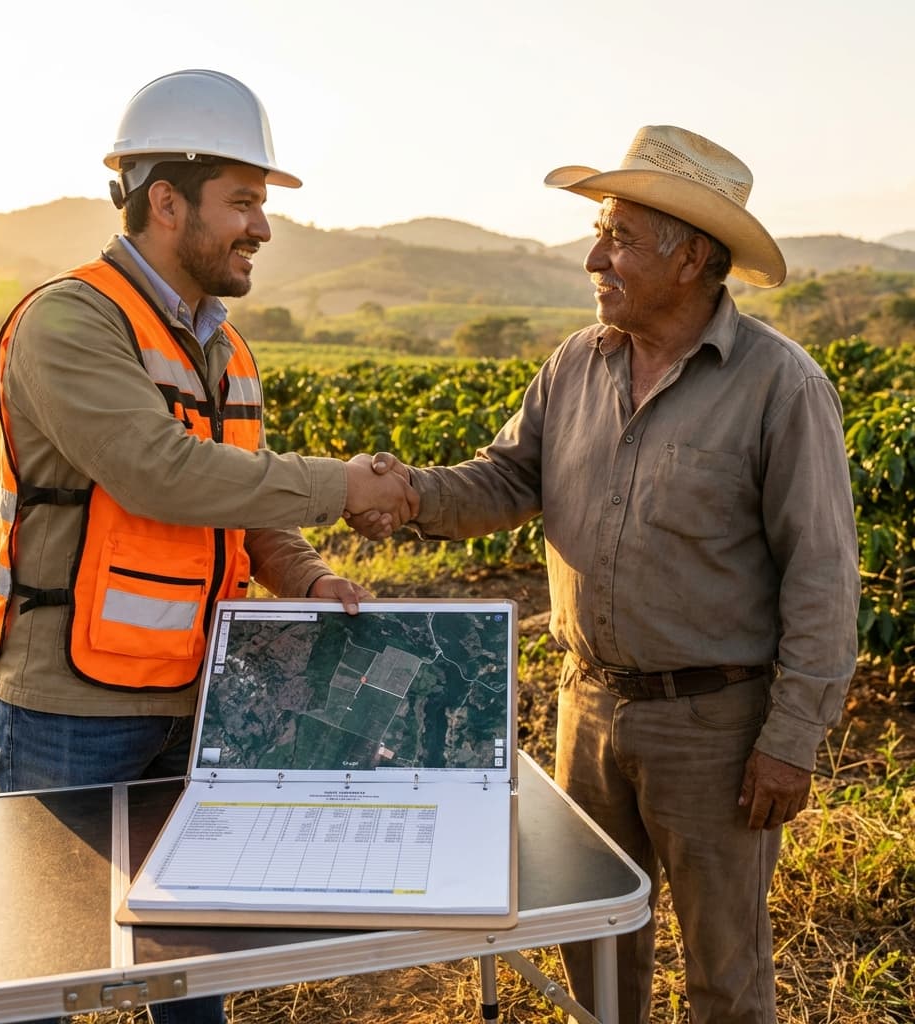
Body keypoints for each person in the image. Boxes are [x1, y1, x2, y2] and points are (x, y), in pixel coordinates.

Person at [349, 126, 860, 1023]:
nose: (595, 256)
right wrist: (408, 495)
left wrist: (791, 739)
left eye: (620, 236)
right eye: (601, 233)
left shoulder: (780, 386)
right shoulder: (577, 364)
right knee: (595, 944)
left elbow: (821, 573)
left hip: (716, 728)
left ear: (693, 256)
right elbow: (509, 479)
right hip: (586, 706)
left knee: (725, 971)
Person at [0, 69, 414, 1024]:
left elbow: (247, 507)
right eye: (245, 203)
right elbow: (160, 473)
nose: (262, 227)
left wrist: (309, 570)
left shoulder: (228, 350)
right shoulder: (72, 320)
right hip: (72, 710)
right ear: (165, 202)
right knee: (34, 976)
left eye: (262, 205)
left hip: (203, 701)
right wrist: (346, 484)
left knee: (192, 965)